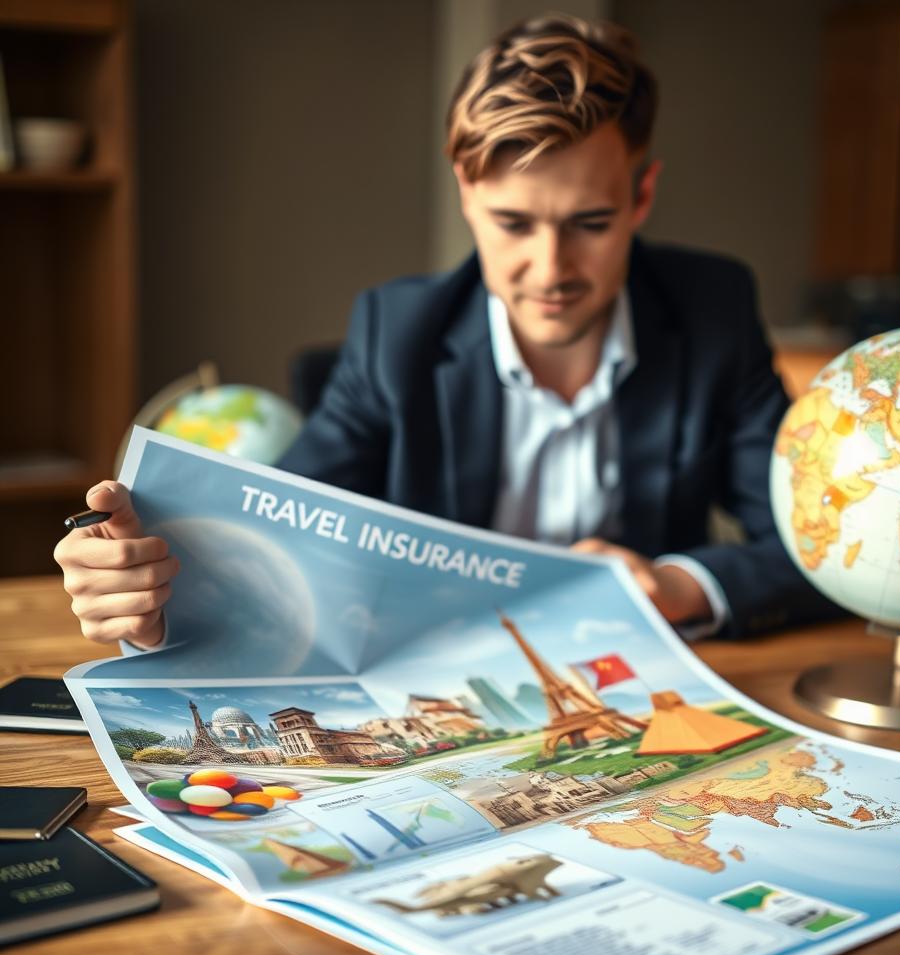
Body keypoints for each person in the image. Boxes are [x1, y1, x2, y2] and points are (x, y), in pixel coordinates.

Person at [54, 14, 836, 651]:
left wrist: (678, 587)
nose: (551, 269)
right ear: (466, 190)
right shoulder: (396, 332)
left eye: (591, 223)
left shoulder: (713, 309)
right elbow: (272, 551)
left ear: (643, 195)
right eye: (513, 223)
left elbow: (817, 542)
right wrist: (151, 605)